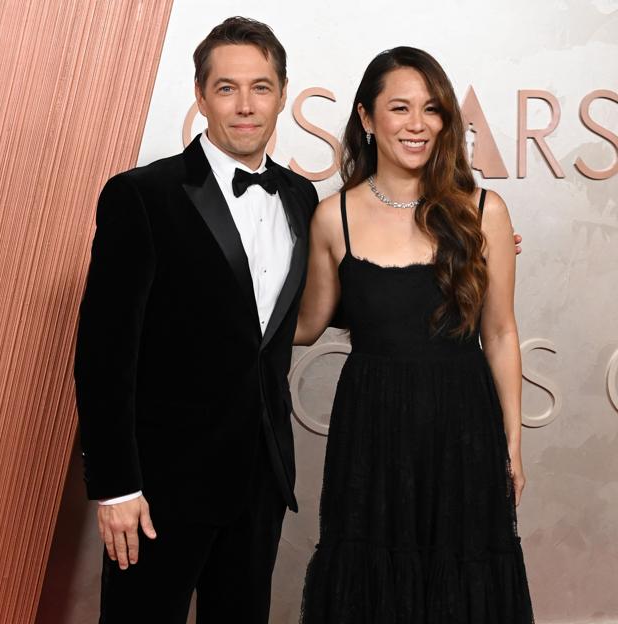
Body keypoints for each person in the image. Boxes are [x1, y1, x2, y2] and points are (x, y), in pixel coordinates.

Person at [74, 17, 318, 623]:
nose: (244, 105)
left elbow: (304, 312)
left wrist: (466, 253)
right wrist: (117, 487)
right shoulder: (142, 196)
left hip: (259, 480)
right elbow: (105, 353)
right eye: (227, 88)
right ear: (201, 94)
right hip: (159, 490)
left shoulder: (300, 198)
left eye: (260, 87)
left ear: (283, 94)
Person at [296, 47, 534, 623]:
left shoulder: (484, 211)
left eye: (432, 109)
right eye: (399, 107)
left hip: (462, 426)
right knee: (374, 585)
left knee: (460, 578)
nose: (417, 124)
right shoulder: (335, 217)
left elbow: (500, 333)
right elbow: (303, 326)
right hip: (371, 429)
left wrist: (512, 442)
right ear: (366, 118)